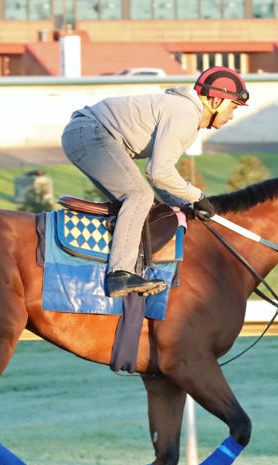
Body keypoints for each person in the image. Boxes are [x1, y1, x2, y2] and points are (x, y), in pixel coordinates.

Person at [61, 66, 250, 298]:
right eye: (232, 107)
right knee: (139, 197)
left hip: (87, 133)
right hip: (90, 133)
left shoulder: (184, 113)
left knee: (142, 203)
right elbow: (159, 172)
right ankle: (119, 275)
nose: (231, 117)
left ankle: (125, 266)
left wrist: (184, 204)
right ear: (214, 100)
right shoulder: (185, 114)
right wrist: (197, 197)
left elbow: (160, 177)